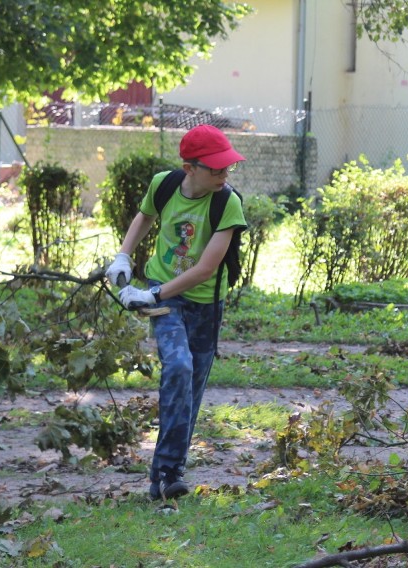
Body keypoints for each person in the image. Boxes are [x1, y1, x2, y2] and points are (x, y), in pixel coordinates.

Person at [105, 124, 247, 500]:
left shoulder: (226, 202)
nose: (223, 175)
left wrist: (151, 296)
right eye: (215, 169)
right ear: (190, 167)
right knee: (179, 367)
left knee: (192, 388)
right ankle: (169, 472)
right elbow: (145, 216)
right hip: (165, 297)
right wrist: (124, 254)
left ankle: (163, 480)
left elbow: (205, 269)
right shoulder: (164, 184)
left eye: (227, 168)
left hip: (204, 305)